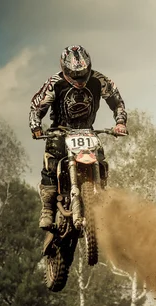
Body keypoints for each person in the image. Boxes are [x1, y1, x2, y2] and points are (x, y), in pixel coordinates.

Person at [29, 45, 128, 229]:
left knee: (101, 159)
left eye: (82, 73)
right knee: (51, 161)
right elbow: (36, 107)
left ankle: (100, 193)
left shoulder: (100, 80)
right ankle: (48, 208)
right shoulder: (54, 83)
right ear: (65, 69)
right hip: (60, 130)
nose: (79, 78)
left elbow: (117, 101)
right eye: (74, 74)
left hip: (88, 130)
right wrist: (36, 126)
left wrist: (120, 122)